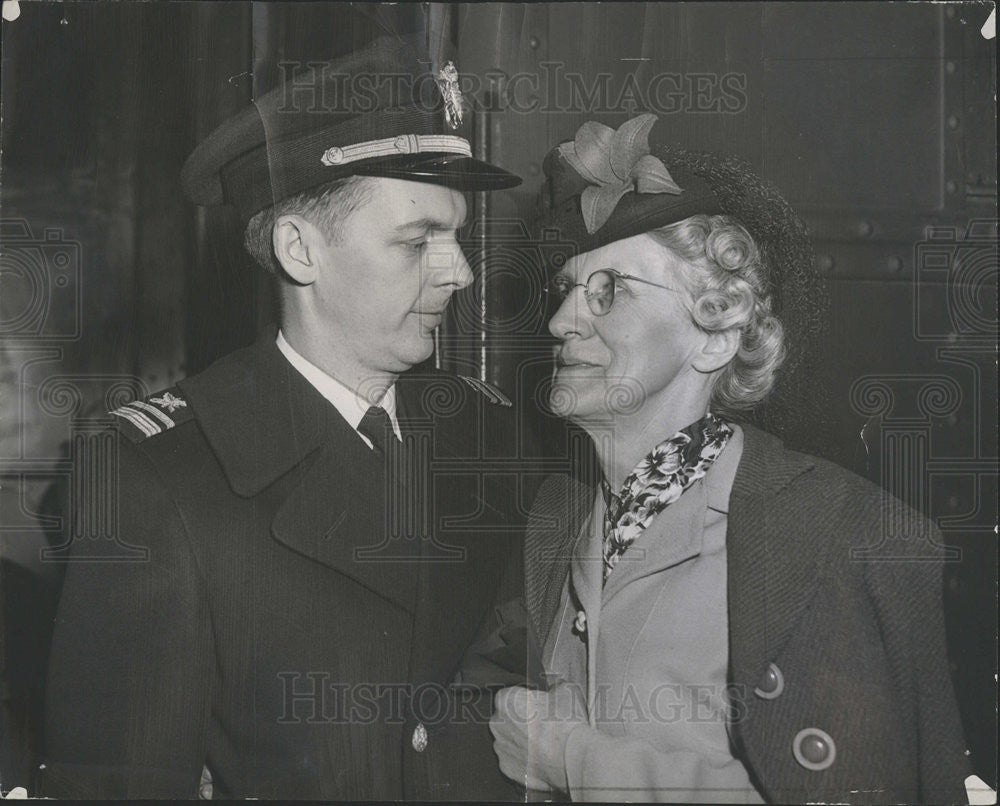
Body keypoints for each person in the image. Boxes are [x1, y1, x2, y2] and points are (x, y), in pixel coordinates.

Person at [41, 37, 530, 800]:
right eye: (417, 241)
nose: (460, 271)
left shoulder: (492, 434)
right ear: (299, 250)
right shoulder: (158, 476)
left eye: (458, 233)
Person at [488, 114, 971, 803]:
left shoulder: (836, 535)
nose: (563, 320)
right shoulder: (555, 523)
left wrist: (575, 762)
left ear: (715, 335)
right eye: (566, 289)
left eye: (610, 291)